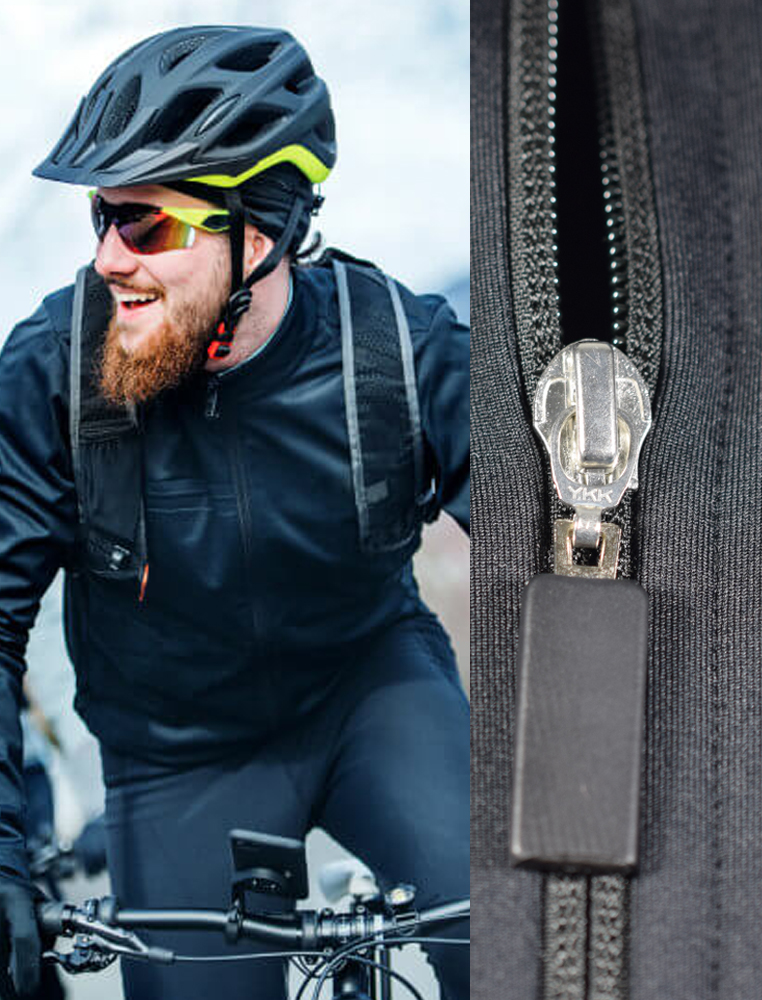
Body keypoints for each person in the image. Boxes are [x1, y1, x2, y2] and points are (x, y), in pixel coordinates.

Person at [0, 25, 469, 1000]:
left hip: (373, 696)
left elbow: (557, 551)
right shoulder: (54, 371)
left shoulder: (397, 349)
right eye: (102, 215)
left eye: (148, 226)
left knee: (535, 941)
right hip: (177, 756)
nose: (108, 259)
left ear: (258, 234)